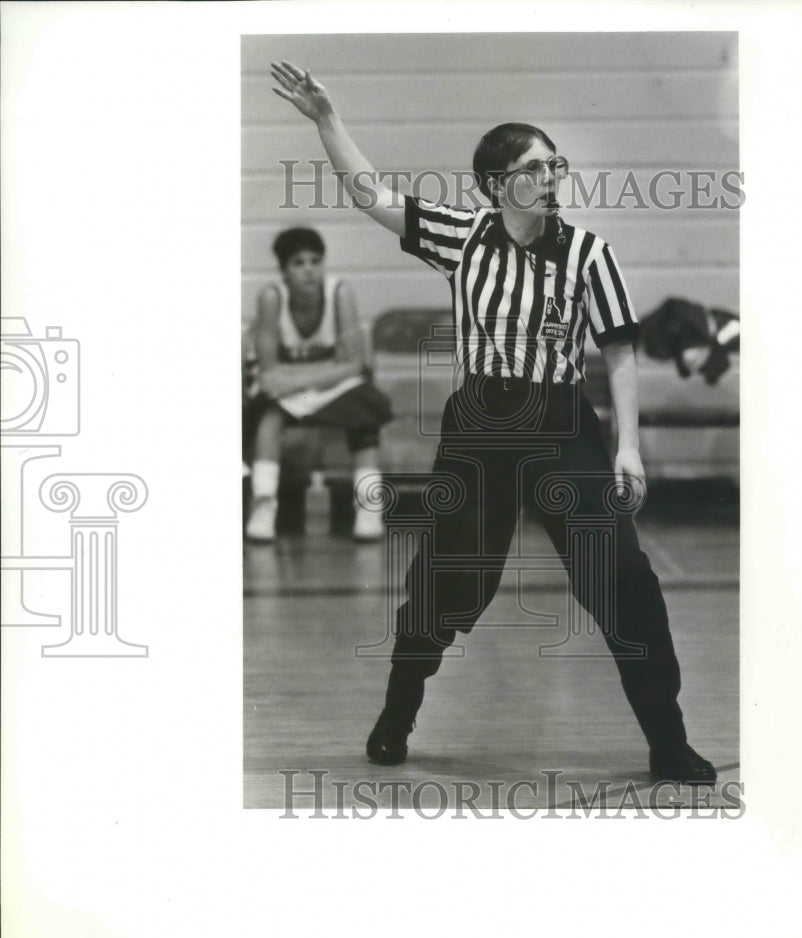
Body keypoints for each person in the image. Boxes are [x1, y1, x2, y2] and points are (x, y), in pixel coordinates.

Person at [271, 62, 717, 784]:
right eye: (534, 166)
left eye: (554, 164)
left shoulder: (588, 253)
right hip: (480, 428)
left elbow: (621, 353)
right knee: (446, 581)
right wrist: (327, 121)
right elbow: (370, 195)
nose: (550, 176)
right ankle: (397, 712)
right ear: (495, 182)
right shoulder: (462, 236)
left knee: (622, 581)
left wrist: (627, 448)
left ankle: (668, 741)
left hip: (562, 427)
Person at [245, 225, 392, 542]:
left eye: (315, 261)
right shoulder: (272, 298)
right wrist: (328, 368)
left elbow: (354, 363)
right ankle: (264, 506)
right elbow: (270, 370)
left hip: (322, 385)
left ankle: (369, 508)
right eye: (298, 263)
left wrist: (300, 378)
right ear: (284, 271)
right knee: (268, 419)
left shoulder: (340, 293)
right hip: (302, 386)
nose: (309, 270)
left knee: (365, 421)